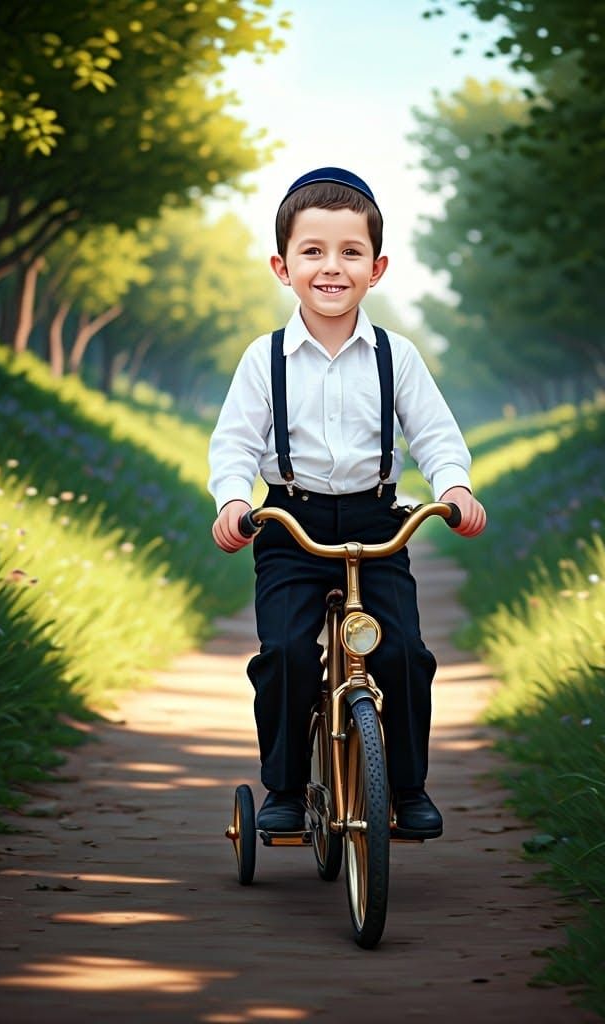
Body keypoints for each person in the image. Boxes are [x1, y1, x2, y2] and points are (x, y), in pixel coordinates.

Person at [208, 167, 486, 838]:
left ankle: (409, 788)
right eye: (313, 252)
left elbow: (436, 435)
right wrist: (230, 500)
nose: (331, 268)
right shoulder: (264, 357)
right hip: (289, 526)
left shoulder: (397, 356)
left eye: (350, 252)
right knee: (285, 655)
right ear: (283, 266)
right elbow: (235, 442)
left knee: (404, 655)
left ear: (377, 266)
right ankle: (282, 787)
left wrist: (453, 487)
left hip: (376, 523)